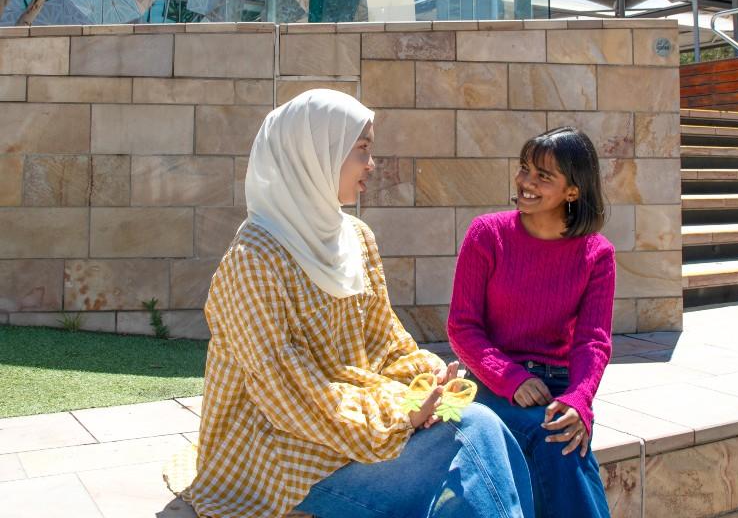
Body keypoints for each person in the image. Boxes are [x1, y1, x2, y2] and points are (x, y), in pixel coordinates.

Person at [181, 89, 534, 518]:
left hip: (352, 428)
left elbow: (384, 342)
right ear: (315, 155)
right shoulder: (253, 260)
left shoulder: (356, 237)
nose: (372, 164)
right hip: (283, 454)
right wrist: (397, 414)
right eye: (362, 150)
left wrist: (431, 379)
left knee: (480, 423)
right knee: (473, 434)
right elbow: (288, 395)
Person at [447, 127, 614, 518]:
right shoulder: (487, 234)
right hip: (492, 384)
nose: (526, 182)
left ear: (573, 191)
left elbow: (593, 341)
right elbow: (462, 327)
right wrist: (512, 378)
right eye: (525, 169)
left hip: (557, 385)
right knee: (556, 440)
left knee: (565, 433)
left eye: (543, 176)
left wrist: (579, 400)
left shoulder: (597, 254)